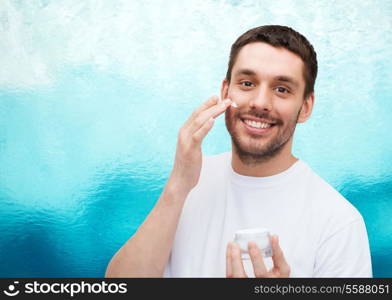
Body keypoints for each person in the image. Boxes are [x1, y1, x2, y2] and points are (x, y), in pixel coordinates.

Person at [105, 25, 372, 277]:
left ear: (305, 107)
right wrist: (178, 184)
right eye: (247, 83)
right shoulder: (188, 184)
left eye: (282, 89)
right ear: (225, 91)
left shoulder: (339, 223)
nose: (260, 102)